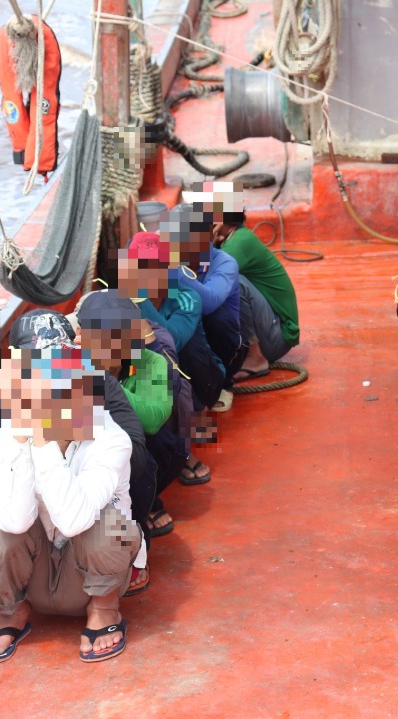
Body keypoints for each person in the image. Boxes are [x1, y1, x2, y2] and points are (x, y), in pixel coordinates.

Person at [0, 345, 140, 664]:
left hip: (89, 579)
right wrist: (26, 442)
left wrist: (43, 444)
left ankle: (104, 610)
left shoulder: (111, 439)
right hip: (33, 575)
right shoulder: (5, 438)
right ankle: (10, 612)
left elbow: (75, 521)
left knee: (107, 526)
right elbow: (13, 522)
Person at [0, 309, 155, 596]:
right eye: (38, 364)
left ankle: (108, 594)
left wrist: (70, 437)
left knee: (133, 469)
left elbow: (136, 458)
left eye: (59, 362)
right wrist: (24, 442)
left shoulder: (97, 386)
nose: (51, 375)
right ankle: (13, 601)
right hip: (32, 524)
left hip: (91, 508)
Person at [74, 289, 194, 595]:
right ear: (82, 336)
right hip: (83, 454)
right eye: (103, 337)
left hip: (136, 455)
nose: (113, 345)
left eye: (121, 337)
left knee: (154, 448)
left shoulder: (150, 362)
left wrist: (102, 381)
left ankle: (139, 537)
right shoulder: (66, 364)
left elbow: (154, 418)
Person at [119, 231, 222, 484]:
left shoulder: (187, 297)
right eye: (140, 266)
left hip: (198, 375)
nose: (147, 273)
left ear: (167, 267)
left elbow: (170, 342)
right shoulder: (123, 300)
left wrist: (139, 299)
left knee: (176, 372)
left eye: (154, 265)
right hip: (153, 371)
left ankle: (183, 449)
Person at [188, 181, 300, 381]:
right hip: (269, 324)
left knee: (233, 282)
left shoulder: (238, 243)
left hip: (278, 336)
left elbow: (203, 283)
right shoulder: (229, 238)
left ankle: (255, 357)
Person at [163, 203, 245, 411]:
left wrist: (173, 270)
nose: (181, 242)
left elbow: (209, 303)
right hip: (189, 336)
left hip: (224, 345)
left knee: (217, 317)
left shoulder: (224, 263)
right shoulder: (167, 260)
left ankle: (222, 381)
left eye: (189, 235)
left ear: (208, 234)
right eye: (177, 235)